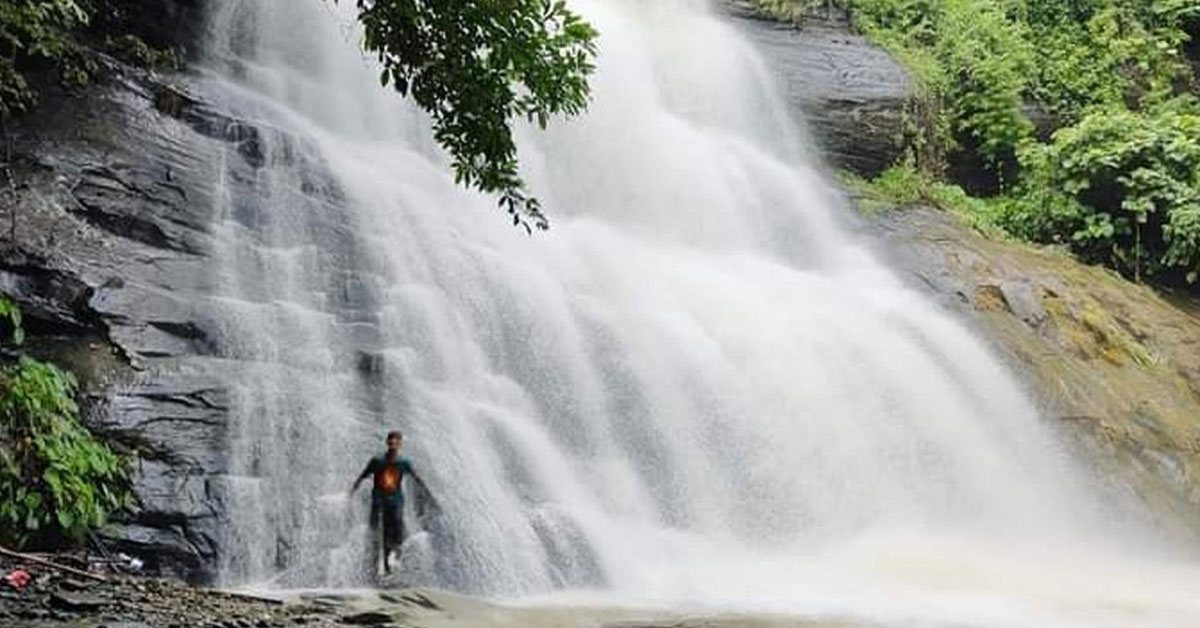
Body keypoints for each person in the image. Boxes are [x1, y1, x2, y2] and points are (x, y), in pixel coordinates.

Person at [349, 430, 433, 574]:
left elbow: (417, 478)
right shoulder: (377, 460)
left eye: (396, 442)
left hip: (395, 501)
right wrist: (351, 493)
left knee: (396, 529)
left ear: (400, 444)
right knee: (375, 533)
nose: (393, 445)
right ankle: (373, 569)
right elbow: (362, 476)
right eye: (390, 442)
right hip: (378, 501)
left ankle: (392, 559)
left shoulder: (403, 462)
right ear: (387, 443)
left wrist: (429, 495)